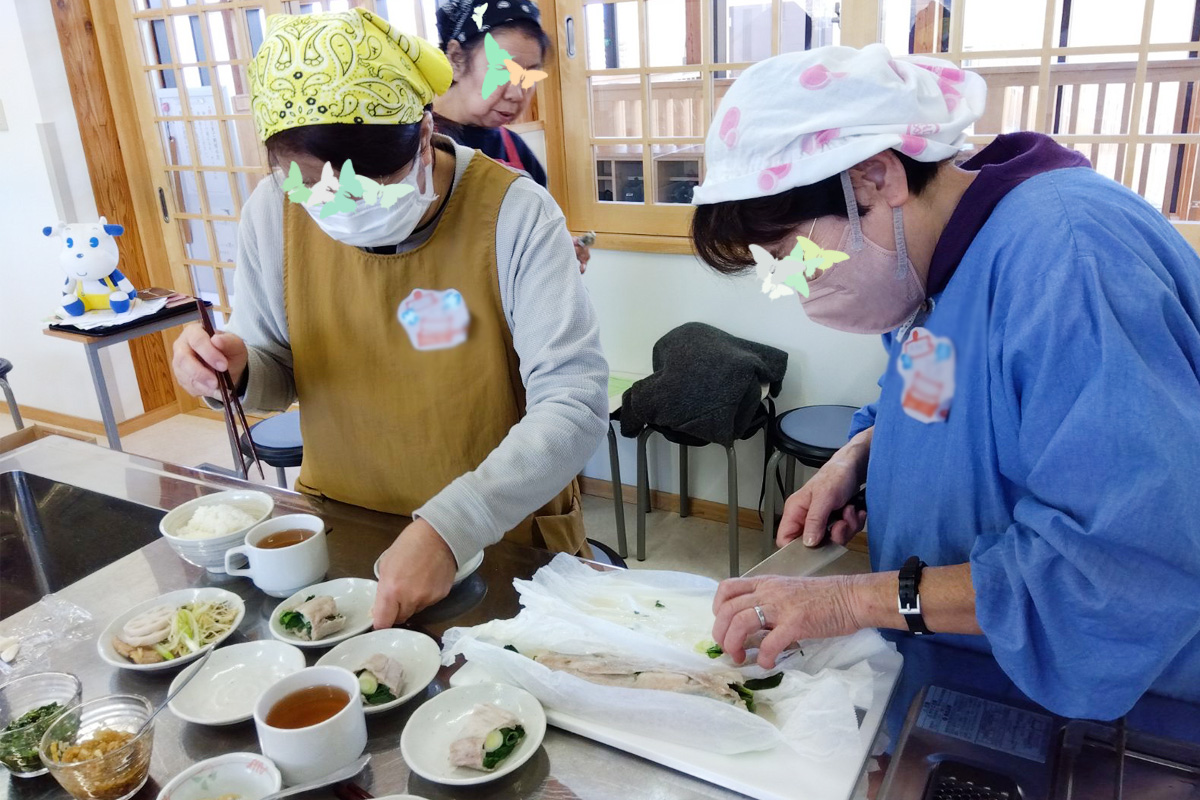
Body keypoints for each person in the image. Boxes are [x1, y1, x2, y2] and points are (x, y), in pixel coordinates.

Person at [690, 44, 1200, 741]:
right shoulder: (940, 274)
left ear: (875, 178)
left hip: (1115, 711)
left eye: (793, 256)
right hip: (963, 668)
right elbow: (934, 398)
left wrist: (852, 601)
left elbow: (1122, 560)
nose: (794, 284)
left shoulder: (1070, 259)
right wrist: (860, 459)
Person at [170, 8, 607, 627]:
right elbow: (277, 373)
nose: (341, 210)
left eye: (370, 187)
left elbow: (574, 402)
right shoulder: (271, 211)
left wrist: (450, 527)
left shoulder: (516, 212)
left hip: (498, 531)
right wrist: (236, 369)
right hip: (346, 522)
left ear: (424, 135)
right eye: (311, 186)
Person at [432, 0, 591, 272]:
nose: (518, 94)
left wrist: (557, 249)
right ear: (456, 59)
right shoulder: (414, 149)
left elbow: (530, 234)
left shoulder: (513, 148)